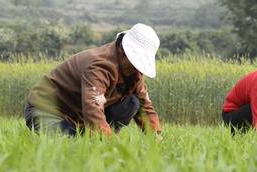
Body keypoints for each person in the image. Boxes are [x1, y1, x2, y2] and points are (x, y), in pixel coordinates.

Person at [24, 23, 163, 140]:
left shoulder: (133, 72)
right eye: (134, 62)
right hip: (46, 111)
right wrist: (109, 143)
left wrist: (155, 136)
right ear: (123, 51)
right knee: (71, 145)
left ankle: (96, 138)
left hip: (79, 116)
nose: (137, 69)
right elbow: (93, 108)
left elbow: (145, 105)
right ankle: (98, 138)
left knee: (132, 102)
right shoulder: (99, 66)